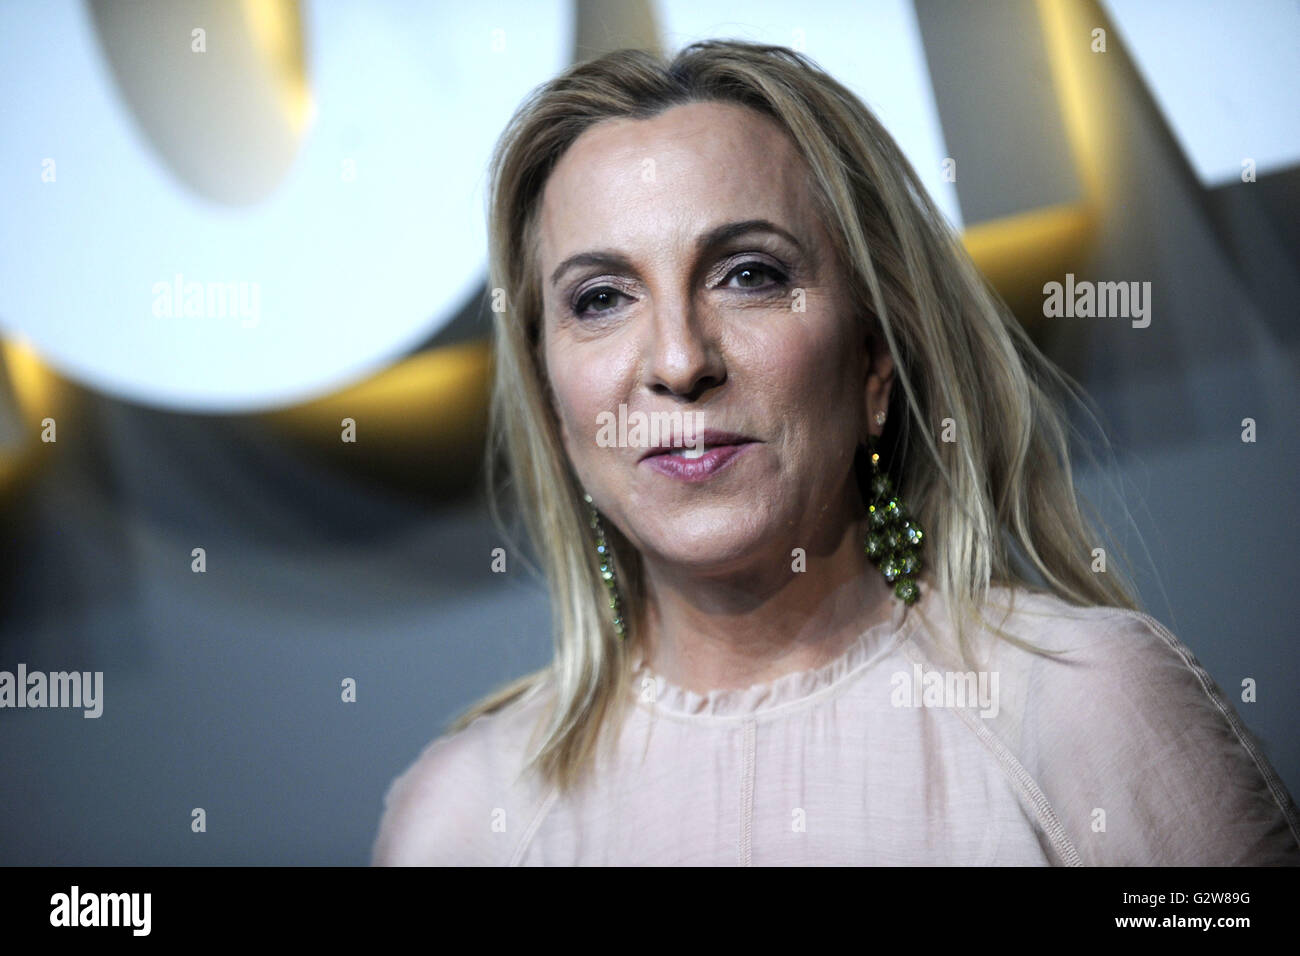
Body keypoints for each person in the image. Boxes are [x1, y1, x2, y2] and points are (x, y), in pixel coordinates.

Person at [371, 40, 1300, 865]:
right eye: (602, 298)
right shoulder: (460, 820)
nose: (680, 361)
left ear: (873, 362)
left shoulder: (1087, 710)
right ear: (550, 399)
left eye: (750, 275)